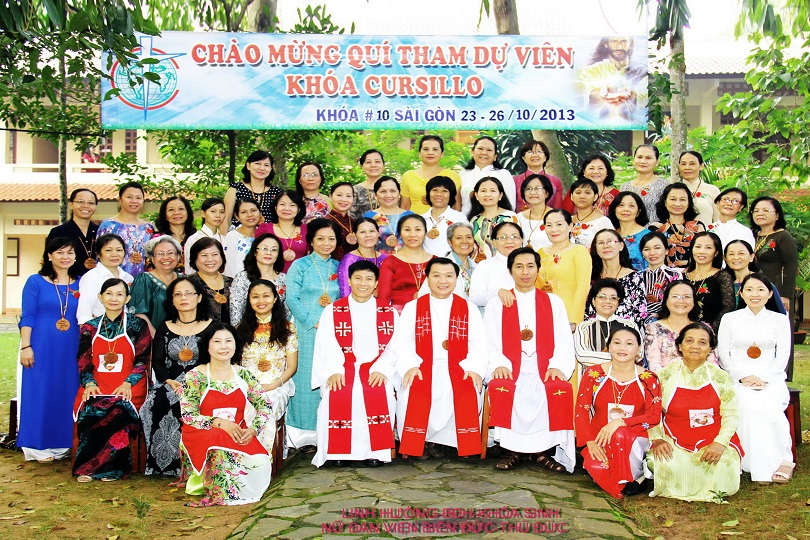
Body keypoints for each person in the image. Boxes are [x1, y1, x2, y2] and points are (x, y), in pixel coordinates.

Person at [386, 258, 507, 459]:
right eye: (437, 276)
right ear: (427, 279)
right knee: (413, 388)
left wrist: (474, 368)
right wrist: (410, 366)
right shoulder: (413, 308)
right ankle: (422, 441)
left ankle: (457, 443)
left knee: (469, 387)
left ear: (456, 279)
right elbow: (402, 343)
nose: (443, 281)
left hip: (460, 367)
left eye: (449, 276)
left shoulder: (468, 308)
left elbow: (479, 344)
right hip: (422, 366)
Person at [484, 248, 576, 472]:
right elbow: (489, 340)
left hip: (543, 366)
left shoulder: (553, 302)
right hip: (510, 365)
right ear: (510, 270)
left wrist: (557, 366)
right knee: (504, 385)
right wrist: (499, 364)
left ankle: (541, 451)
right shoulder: (497, 303)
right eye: (519, 266)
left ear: (538, 269)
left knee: (556, 387)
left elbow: (564, 339)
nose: (525, 272)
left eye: (530, 266)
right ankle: (511, 450)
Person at [312, 261, 398, 467]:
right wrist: (333, 371)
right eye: (358, 278)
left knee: (381, 391)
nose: (363, 283)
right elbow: (326, 344)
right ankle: (337, 452)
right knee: (336, 392)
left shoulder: (388, 311)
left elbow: (395, 347)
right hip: (342, 368)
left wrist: (382, 369)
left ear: (376, 283)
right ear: (349, 281)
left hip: (375, 368)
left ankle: (374, 452)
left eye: (369, 279)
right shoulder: (333, 311)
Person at [179, 322, 275, 505]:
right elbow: (188, 414)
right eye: (217, 341)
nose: (223, 346)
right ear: (207, 346)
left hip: (238, 433)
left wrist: (253, 429)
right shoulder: (195, 376)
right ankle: (220, 492)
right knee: (219, 445)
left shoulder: (244, 375)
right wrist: (220, 423)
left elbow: (264, 405)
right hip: (203, 432)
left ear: (236, 345)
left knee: (260, 462)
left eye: (228, 341)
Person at [647, 323, 742, 502]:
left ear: (710, 349)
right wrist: (657, 439)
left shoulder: (720, 377)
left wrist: (720, 443)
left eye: (702, 342)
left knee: (724, 464)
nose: (695, 346)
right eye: (689, 341)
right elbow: (652, 412)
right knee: (658, 460)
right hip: (675, 437)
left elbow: (731, 415)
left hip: (712, 437)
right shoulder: (665, 375)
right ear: (680, 346)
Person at [718, 273, 794, 483]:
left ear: (769, 294)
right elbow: (724, 355)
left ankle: (778, 461)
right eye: (749, 289)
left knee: (767, 402)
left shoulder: (780, 320)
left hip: (771, 377)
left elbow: (783, 356)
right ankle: (743, 460)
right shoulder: (729, 319)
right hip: (737, 376)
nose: (755, 294)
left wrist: (764, 378)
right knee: (744, 400)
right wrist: (743, 377)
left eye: (761, 290)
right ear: (741, 294)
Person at [73, 278, 151, 482]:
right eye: (108, 293)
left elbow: (142, 359)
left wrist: (128, 383)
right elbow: (83, 360)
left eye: (119, 294)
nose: (113, 298)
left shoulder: (137, 325)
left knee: (117, 409)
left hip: (129, 384)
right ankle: (87, 468)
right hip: (97, 383)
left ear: (127, 298)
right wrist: (89, 383)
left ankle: (113, 469)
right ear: (100, 297)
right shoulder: (89, 327)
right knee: (91, 408)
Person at [575, 327, 661, 498]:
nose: (622, 348)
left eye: (629, 344)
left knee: (621, 433)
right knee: (596, 466)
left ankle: (635, 476)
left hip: (634, 440)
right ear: (609, 347)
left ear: (639, 349)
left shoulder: (649, 379)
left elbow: (654, 416)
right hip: (600, 439)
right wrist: (590, 442)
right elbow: (581, 410)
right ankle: (623, 477)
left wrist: (620, 423)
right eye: (617, 342)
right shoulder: (594, 374)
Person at [141, 277, 212, 477]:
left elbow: (216, 360)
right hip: (171, 382)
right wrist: (168, 381)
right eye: (178, 294)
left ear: (199, 297)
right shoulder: (165, 327)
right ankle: (162, 465)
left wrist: (195, 381)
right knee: (157, 401)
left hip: (202, 382)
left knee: (191, 402)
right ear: (172, 300)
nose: (184, 298)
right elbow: (157, 362)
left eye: (189, 293)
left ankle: (193, 464)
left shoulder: (212, 327)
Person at [18, 238, 81, 462]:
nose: (65, 257)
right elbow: (27, 315)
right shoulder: (35, 282)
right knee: (39, 391)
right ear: (49, 256)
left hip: (71, 347)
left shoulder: (81, 283)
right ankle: (36, 445)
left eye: (70, 252)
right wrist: (26, 346)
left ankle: (62, 443)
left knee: (67, 390)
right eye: (60, 252)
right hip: (41, 345)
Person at [285, 219, 342, 450]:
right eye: (320, 238)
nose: (326, 243)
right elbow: (292, 298)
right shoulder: (300, 265)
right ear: (311, 241)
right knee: (305, 376)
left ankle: (328, 431)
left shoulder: (339, 266)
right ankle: (303, 436)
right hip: (305, 328)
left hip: (334, 330)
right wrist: (312, 321)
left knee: (329, 373)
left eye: (331, 239)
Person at [749, 196, 797, 379]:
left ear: (777, 215)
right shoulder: (752, 235)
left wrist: (785, 295)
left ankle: (779, 374)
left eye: (765, 210)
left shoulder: (783, 236)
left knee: (777, 333)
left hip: (776, 292)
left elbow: (791, 265)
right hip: (753, 292)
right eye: (756, 211)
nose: (760, 214)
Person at [237, 280, 298, 422]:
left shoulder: (288, 328)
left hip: (277, 386)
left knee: (266, 407)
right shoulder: (240, 328)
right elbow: (235, 365)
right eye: (255, 296)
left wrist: (273, 385)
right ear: (249, 300)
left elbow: (292, 366)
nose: (261, 301)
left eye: (266, 296)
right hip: (247, 386)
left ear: (275, 298)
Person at [645, 280, 717, 373]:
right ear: (666, 300)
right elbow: (654, 365)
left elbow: (712, 362)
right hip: (666, 379)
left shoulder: (704, 329)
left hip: (700, 379)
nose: (681, 301)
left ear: (694, 301)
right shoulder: (653, 329)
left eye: (687, 297)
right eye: (675, 296)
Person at [537, 209, 593, 328]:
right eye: (549, 225)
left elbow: (582, 288)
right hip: (541, 313)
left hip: (567, 315)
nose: (554, 229)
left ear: (570, 226)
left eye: (559, 224)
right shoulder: (540, 253)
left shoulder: (579, 251)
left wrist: (573, 319)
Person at [574, 279, 640, 377]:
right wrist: (621, 358)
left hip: (625, 378)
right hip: (593, 379)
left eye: (613, 298)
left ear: (618, 302)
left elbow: (638, 353)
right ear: (593, 301)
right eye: (602, 297)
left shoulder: (630, 325)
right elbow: (582, 355)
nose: (608, 301)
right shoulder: (584, 327)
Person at [578, 36, 647, 122]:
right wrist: (603, 93)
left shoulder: (643, 72)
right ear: (606, 44)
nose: (619, 46)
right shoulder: (592, 70)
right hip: (598, 125)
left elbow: (643, 98)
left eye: (624, 41)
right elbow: (590, 95)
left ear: (630, 45)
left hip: (631, 124)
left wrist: (631, 94)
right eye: (614, 41)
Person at [588, 229, 648, 327]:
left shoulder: (634, 277)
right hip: (594, 331)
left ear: (621, 246)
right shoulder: (590, 278)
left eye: (610, 241)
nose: (606, 246)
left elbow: (640, 313)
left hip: (625, 332)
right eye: (601, 243)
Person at [96, 181, 155, 278]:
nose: (134, 201)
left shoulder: (148, 227)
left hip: (143, 280)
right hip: (114, 280)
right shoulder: (109, 225)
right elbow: (100, 256)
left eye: (138, 198)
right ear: (119, 200)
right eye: (129, 197)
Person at [377, 215, 434, 311]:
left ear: (425, 232)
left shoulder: (436, 262)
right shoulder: (390, 262)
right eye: (407, 230)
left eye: (418, 229)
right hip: (399, 315)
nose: (412, 234)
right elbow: (383, 299)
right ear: (400, 234)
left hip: (430, 314)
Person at [230, 233, 287, 326]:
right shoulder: (242, 278)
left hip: (278, 329)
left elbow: (287, 311)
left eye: (274, 250)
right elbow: (236, 311)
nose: (269, 253)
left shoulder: (285, 279)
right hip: (248, 329)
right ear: (255, 252)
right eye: (264, 248)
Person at [129, 235, 181, 335]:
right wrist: (157, 338)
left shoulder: (185, 280)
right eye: (160, 253)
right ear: (152, 258)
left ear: (178, 256)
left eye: (170, 253)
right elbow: (139, 314)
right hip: (152, 338)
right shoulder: (144, 279)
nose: (166, 257)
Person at [77, 234, 134, 324]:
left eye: (119, 250)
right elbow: (84, 313)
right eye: (108, 250)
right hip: (100, 329)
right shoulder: (91, 277)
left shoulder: (128, 277)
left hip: (124, 328)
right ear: (98, 254)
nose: (114, 254)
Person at [684, 232, 735, 332]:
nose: (701, 251)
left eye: (708, 248)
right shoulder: (682, 277)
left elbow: (728, 308)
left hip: (711, 334)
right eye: (698, 247)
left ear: (716, 253)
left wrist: (710, 331)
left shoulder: (722, 276)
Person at [400, 135, 462, 214]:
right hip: (415, 220)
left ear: (442, 153)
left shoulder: (452, 175)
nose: (430, 153)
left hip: (444, 220)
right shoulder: (408, 176)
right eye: (426, 149)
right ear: (419, 153)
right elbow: (405, 207)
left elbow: (456, 206)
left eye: (435, 149)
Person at [222, 150, 281, 232]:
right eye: (257, 163)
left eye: (266, 165)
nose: (262, 168)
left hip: (269, 236)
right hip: (240, 236)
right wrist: (223, 239)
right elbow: (226, 219)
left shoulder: (277, 192)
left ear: (271, 168)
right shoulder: (235, 189)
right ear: (248, 165)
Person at [46, 188, 99, 278]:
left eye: (91, 203)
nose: (86, 206)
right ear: (71, 204)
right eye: (80, 202)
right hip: (68, 281)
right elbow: (48, 261)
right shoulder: (58, 232)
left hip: (96, 282)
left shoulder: (101, 232)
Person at [651, 182, 706, 270]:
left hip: (693, 273)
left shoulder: (697, 226)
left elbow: (704, 252)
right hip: (663, 274)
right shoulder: (656, 227)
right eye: (673, 199)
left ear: (688, 203)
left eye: (682, 200)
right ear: (665, 202)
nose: (677, 204)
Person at [459, 136, 516, 216]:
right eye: (480, 149)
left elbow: (511, 205)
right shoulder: (463, 174)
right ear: (472, 151)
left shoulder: (503, 174)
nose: (484, 153)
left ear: (495, 156)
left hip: (496, 221)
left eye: (489, 150)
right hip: (465, 221)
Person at [469, 222, 521, 308]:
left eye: (514, 237)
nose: (509, 241)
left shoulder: (530, 265)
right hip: (497, 314)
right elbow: (474, 297)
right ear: (494, 242)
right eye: (503, 237)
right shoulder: (485, 266)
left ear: (521, 240)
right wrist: (497, 293)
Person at [723, 240, 785, 312]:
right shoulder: (722, 282)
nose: (736, 257)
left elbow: (780, 313)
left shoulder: (762, 283)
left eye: (741, 253)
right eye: (731, 254)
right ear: (725, 258)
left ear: (751, 257)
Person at [255, 190, 308, 272]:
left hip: (301, 276)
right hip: (271, 276)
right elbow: (257, 255)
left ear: (298, 209)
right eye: (282, 204)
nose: (287, 208)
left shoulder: (307, 229)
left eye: (292, 205)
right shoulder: (264, 229)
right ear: (275, 207)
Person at [468, 176, 519, 261]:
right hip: (479, 266)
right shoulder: (474, 220)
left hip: (506, 264)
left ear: (500, 195)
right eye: (483, 191)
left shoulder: (510, 217)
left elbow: (517, 244)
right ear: (476, 195)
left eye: (493, 191)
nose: (487, 194)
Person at [337, 217, 388, 298]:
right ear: (355, 236)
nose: (368, 235)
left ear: (378, 233)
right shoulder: (349, 259)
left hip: (383, 304)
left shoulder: (385, 259)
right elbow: (345, 291)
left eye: (372, 231)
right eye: (362, 232)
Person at [363, 176, 414, 255]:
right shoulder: (369, 216)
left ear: (399, 194)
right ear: (376, 195)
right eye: (383, 191)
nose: (388, 195)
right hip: (376, 260)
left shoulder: (410, 216)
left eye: (392, 191)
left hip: (406, 259)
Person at [186, 238, 232, 324]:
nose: (210, 259)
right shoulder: (187, 284)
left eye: (215, 254)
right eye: (204, 255)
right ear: (194, 258)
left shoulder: (233, 283)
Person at [621, 145, 670, 223]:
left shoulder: (664, 186)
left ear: (657, 162)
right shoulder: (625, 187)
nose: (643, 161)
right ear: (634, 160)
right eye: (639, 157)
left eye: (648, 158)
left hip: (654, 229)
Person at [639, 232, 681, 322]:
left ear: (666, 251)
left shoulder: (675, 275)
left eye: (657, 248)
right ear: (642, 253)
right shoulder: (637, 276)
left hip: (667, 321)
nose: (652, 253)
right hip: (639, 323)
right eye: (646, 249)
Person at [421, 175, 468, 257]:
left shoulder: (459, 218)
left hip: (452, 263)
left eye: (444, 191)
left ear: (451, 195)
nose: (439, 194)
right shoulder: (420, 219)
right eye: (435, 190)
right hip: (425, 264)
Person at [512, 140, 564, 210]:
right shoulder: (514, 181)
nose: (534, 155)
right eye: (530, 152)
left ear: (545, 157)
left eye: (539, 152)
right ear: (523, 158)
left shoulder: (555, 181)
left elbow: (557, 210)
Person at [608, 191, 651, 270]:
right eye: (621, 205)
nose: (626, 209)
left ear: (638, 212)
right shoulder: (610, 234)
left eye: (631, 206)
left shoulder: (647, 236)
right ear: (614, 209)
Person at [153, 196, 195, 273]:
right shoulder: (157, 239)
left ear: (188, 213)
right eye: (171, 210)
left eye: (181, 209)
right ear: (165, 215)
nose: (177, 213)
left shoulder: (196, 238)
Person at [568, 179, 614, 248]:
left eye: (587, 193)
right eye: (578, 193)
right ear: (571, 196)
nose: (582, 196)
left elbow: (611, 246)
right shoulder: (567, 220)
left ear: (595, 197)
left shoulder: (603, 221)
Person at [678, 151, 719, 226]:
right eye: (683, 164)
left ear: (701, 166)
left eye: (692, 164)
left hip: (706, 233)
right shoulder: (672, 190)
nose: (687, 167)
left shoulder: (712, 190)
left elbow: (719, 221)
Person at [223, 199, 260, 277]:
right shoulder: (233, 236)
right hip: (239, 280)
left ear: (260, 213)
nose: (250, 215)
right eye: (243, 212)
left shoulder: (264, 235)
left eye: (253, 210)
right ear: (237, 216)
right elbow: (230, 266)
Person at [184, 198, 226, 266]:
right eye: (213, 211)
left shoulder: (225, 239)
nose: (218, 215)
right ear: (203, 213)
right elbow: (189, 267)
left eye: (222, 212)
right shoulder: (194, 239)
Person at [516, 174, 553, 250]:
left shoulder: (557, 217)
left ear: (547, 193)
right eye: (528, 189)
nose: (532, 192)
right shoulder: (518, 218)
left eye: (538, 188)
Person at [326, 181, 356, 262]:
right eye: (339, 195)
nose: (344, 199)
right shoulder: (324, 223)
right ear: (330, 196)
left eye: (348, 196)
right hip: (331, 267)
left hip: (355, 267)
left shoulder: (355, 223)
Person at [445, 223, 477, 297]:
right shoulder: (441, 266)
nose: (464, 241)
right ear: (450, 242)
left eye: (469, 237)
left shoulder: (477, 267)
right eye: (459, 238)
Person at [350, 149, 384, 219]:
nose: (373, 165)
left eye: (377, 161)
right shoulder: (355, 191)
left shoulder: (394, 188)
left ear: (383, 165)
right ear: (362, 166)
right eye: (368, 162)